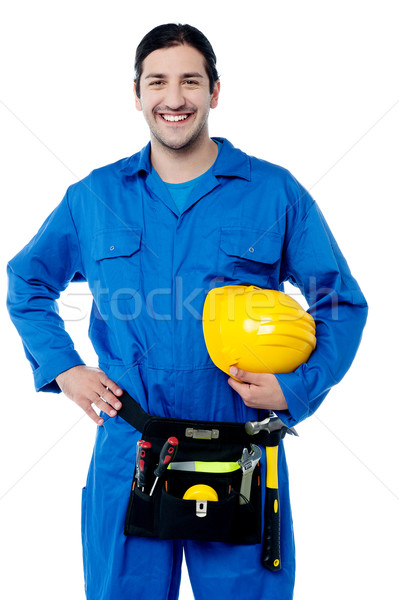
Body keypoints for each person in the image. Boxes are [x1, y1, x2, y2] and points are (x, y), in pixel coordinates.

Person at [7, 22, 368, 600]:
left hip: (240, 448)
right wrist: (64, 368)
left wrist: (297, 388)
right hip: (131, 445)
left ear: (214, 92)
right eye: (158, 82)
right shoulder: (94, 197)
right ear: (137, 95)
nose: (174, 99)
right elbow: (27, 281)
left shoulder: (274, 192)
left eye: (190, 82)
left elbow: (341, 302)